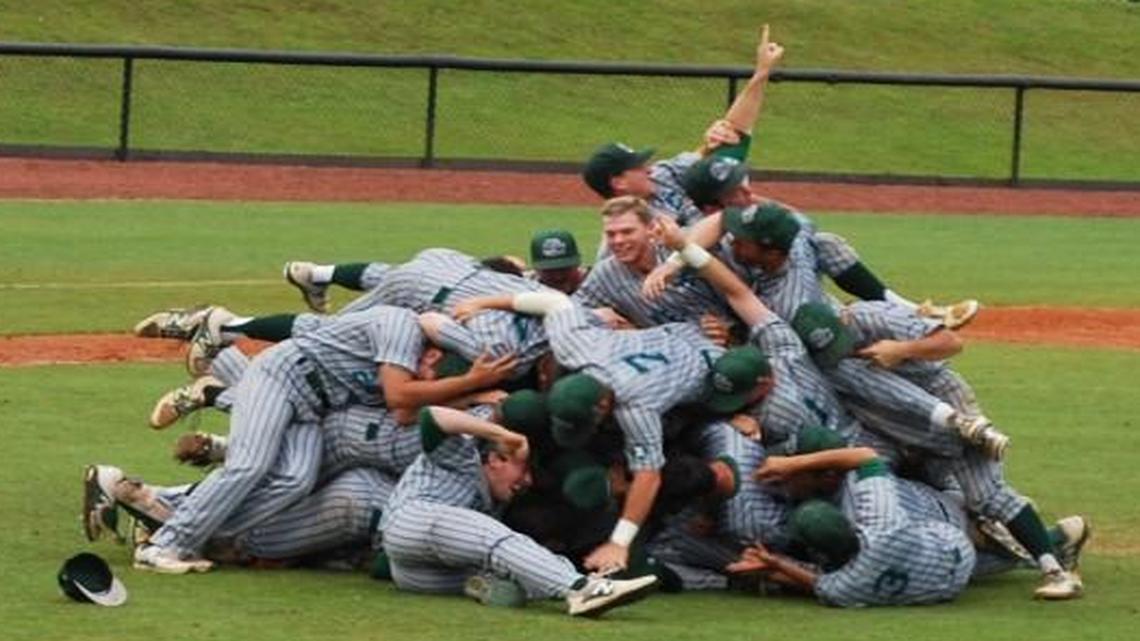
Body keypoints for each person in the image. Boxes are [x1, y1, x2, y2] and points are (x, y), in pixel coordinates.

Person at [379, 406, 659, 616]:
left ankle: (493, 584)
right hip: (413, 518)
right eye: (523, 470)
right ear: (496, 459)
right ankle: (581, 591)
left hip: (415, 573)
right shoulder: (466, 457)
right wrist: (504, 435)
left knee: (516, 573)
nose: (527, 482)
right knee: (494, 537)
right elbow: (432, 417)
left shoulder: (495, 501)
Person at [580, 25, 785, 230]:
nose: (649, 168)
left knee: (727, 144)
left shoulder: (662, 175)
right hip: (708, 257)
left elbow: (733, 133)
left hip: (733, 242)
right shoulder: (628, 231)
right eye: (637, 167)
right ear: (619, 183)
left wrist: (761, 73)